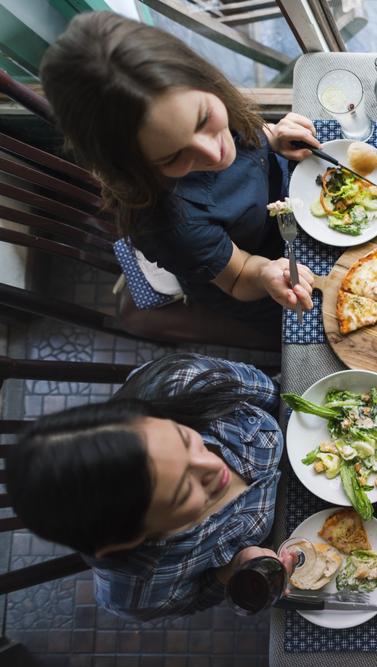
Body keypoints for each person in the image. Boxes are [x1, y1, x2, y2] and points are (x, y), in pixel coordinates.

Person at [39, 12, 321, 336]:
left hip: (284, 209)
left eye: (204, 119)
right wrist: (266, 275)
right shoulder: (173, 223)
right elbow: (240, 275)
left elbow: (248, 133)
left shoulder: (187, 101)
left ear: (202, 78)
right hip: (252, 269)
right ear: (134, 169)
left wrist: (270, 136)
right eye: (174, 157)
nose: (214, 153)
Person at [6, 353, 292, 621]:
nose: (214, 467)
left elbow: (274, 393)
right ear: (129, 538)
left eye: (185, 439)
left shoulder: (181, 382)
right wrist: (233, 568)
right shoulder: (136, 592)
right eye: (183, 490)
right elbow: (196, 598)